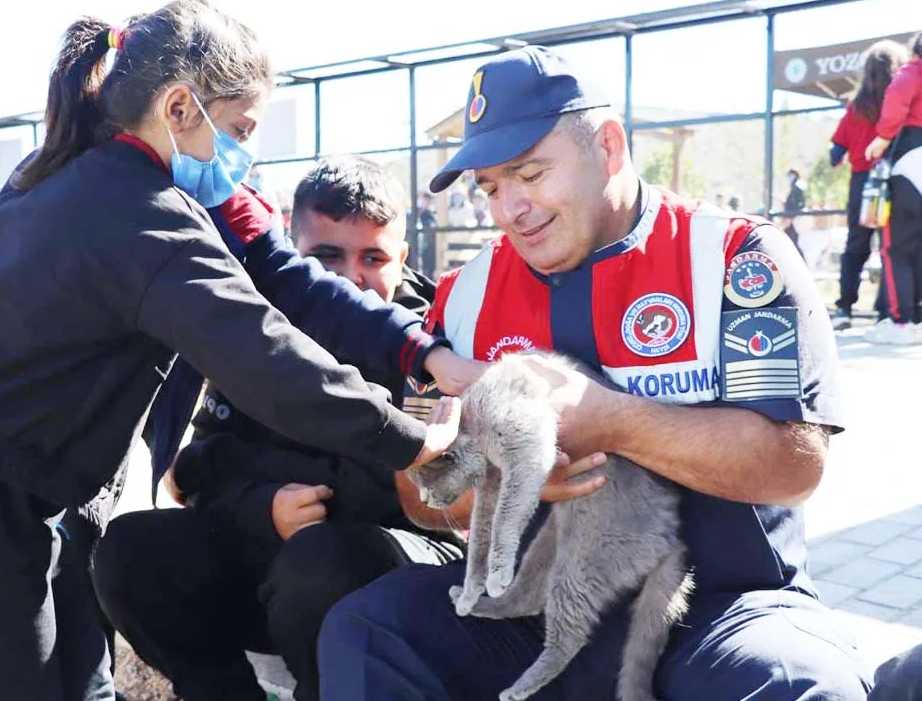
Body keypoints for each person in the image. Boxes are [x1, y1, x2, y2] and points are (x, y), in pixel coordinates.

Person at [0, 0, 464, 701]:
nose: (245, 154)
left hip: (8, 467)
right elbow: (265, 356)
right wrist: (410, 442)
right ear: (181, 107)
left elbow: (287, 282)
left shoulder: (78, 175)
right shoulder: (146, 216)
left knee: (69, 672)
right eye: (242, 128)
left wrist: (418, 349)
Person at [317, 46, 872, 701]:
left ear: (608, 146)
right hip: (535, 612)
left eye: (529, 174)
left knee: (799, 683)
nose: (509, 209)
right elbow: (422, 492)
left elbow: (793, 466)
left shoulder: (737, 257)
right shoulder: (460, 297)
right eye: (491, 187)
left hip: (725, 611)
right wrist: (506, 475)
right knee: (366, 628)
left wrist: (614, 420)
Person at [91, 156, 468, 701]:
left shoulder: (432, 346)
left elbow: (420, 492)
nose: (349, 278)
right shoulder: (260, 330)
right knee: (131, 549)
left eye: (373, 257)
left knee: (320, 563)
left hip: (400, 564)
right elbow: (201, 468)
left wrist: (291, 490)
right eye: (325, 257)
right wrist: (263, 505)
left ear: (403, 257)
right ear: (292, 256)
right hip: (280, 562)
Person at [830, 40, 909, 331]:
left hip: (862, 183)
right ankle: (885, 311)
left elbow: (836, 152)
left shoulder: (856, 107)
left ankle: (845, 308)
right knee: (892, 246)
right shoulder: (902, 102)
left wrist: (847, 152)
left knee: (856, 244)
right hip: (896, 182)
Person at [865, 31, 922, 345]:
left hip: (911, 157)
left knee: (896, 247)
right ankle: (917, 321)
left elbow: (899, 94)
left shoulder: (912, 71)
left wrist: (882, 138)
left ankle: (901, 324)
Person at [782, 167, 806, 259]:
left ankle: (801, 261)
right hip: (791, 219)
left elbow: (797, 205)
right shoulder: (794, 188)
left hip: (793, 219)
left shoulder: (797, 188)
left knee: (792, 241)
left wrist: (790, 217)